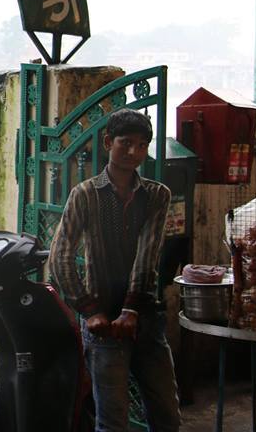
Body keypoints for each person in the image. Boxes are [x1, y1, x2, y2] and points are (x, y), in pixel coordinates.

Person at [48, 108, 180, 432]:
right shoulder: (85, 194)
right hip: (103, 325)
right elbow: (60, 256)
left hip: (146, 320)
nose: (134, 152)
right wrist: (89, 309)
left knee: (167, 416)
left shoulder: (156, 195)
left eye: (141, 145)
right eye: (126, 143)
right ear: (108, 142)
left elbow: (148, 254)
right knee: (112, 421)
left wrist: (132, 309)